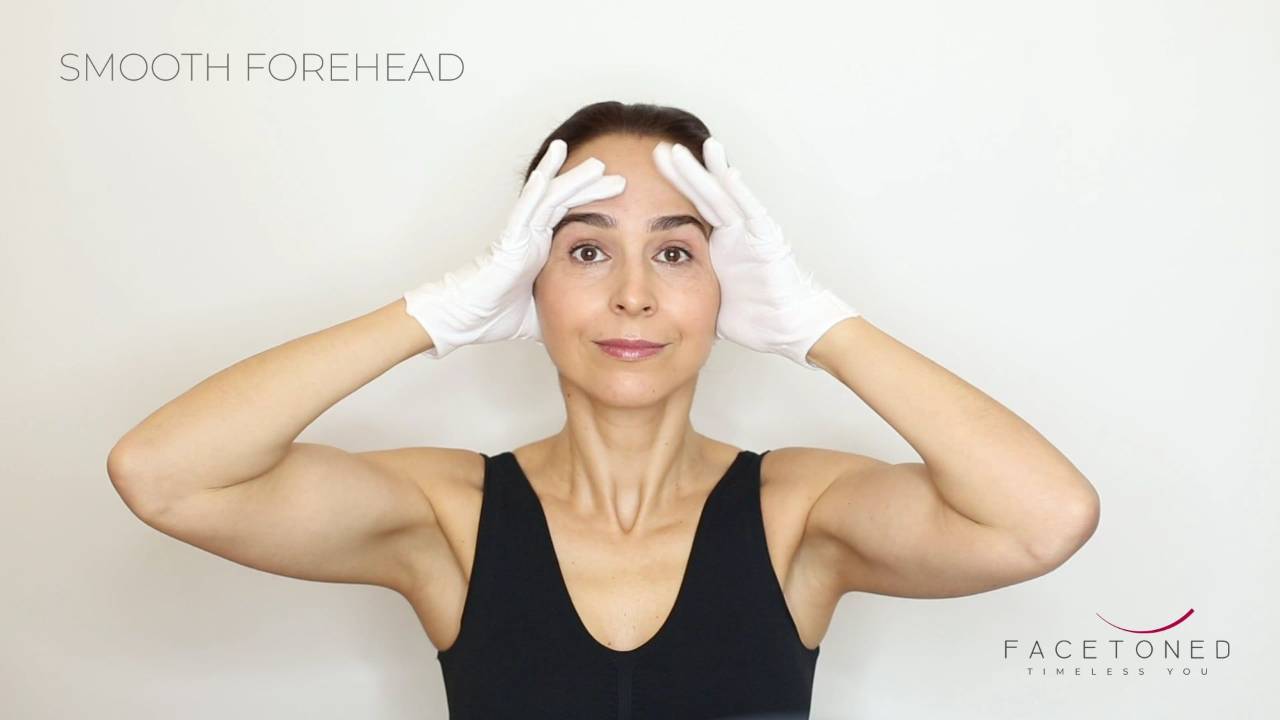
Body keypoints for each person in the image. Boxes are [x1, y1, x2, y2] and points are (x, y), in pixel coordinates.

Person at [107, 101, 1101, 719]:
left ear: (732, 284)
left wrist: (818, 325)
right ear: (526, 280)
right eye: (585, 250)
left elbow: (1043, 519)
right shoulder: (447, 517)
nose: (632, 295)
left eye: (675, 252)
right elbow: (165, 476)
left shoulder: (799, 512)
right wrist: (433, 315)